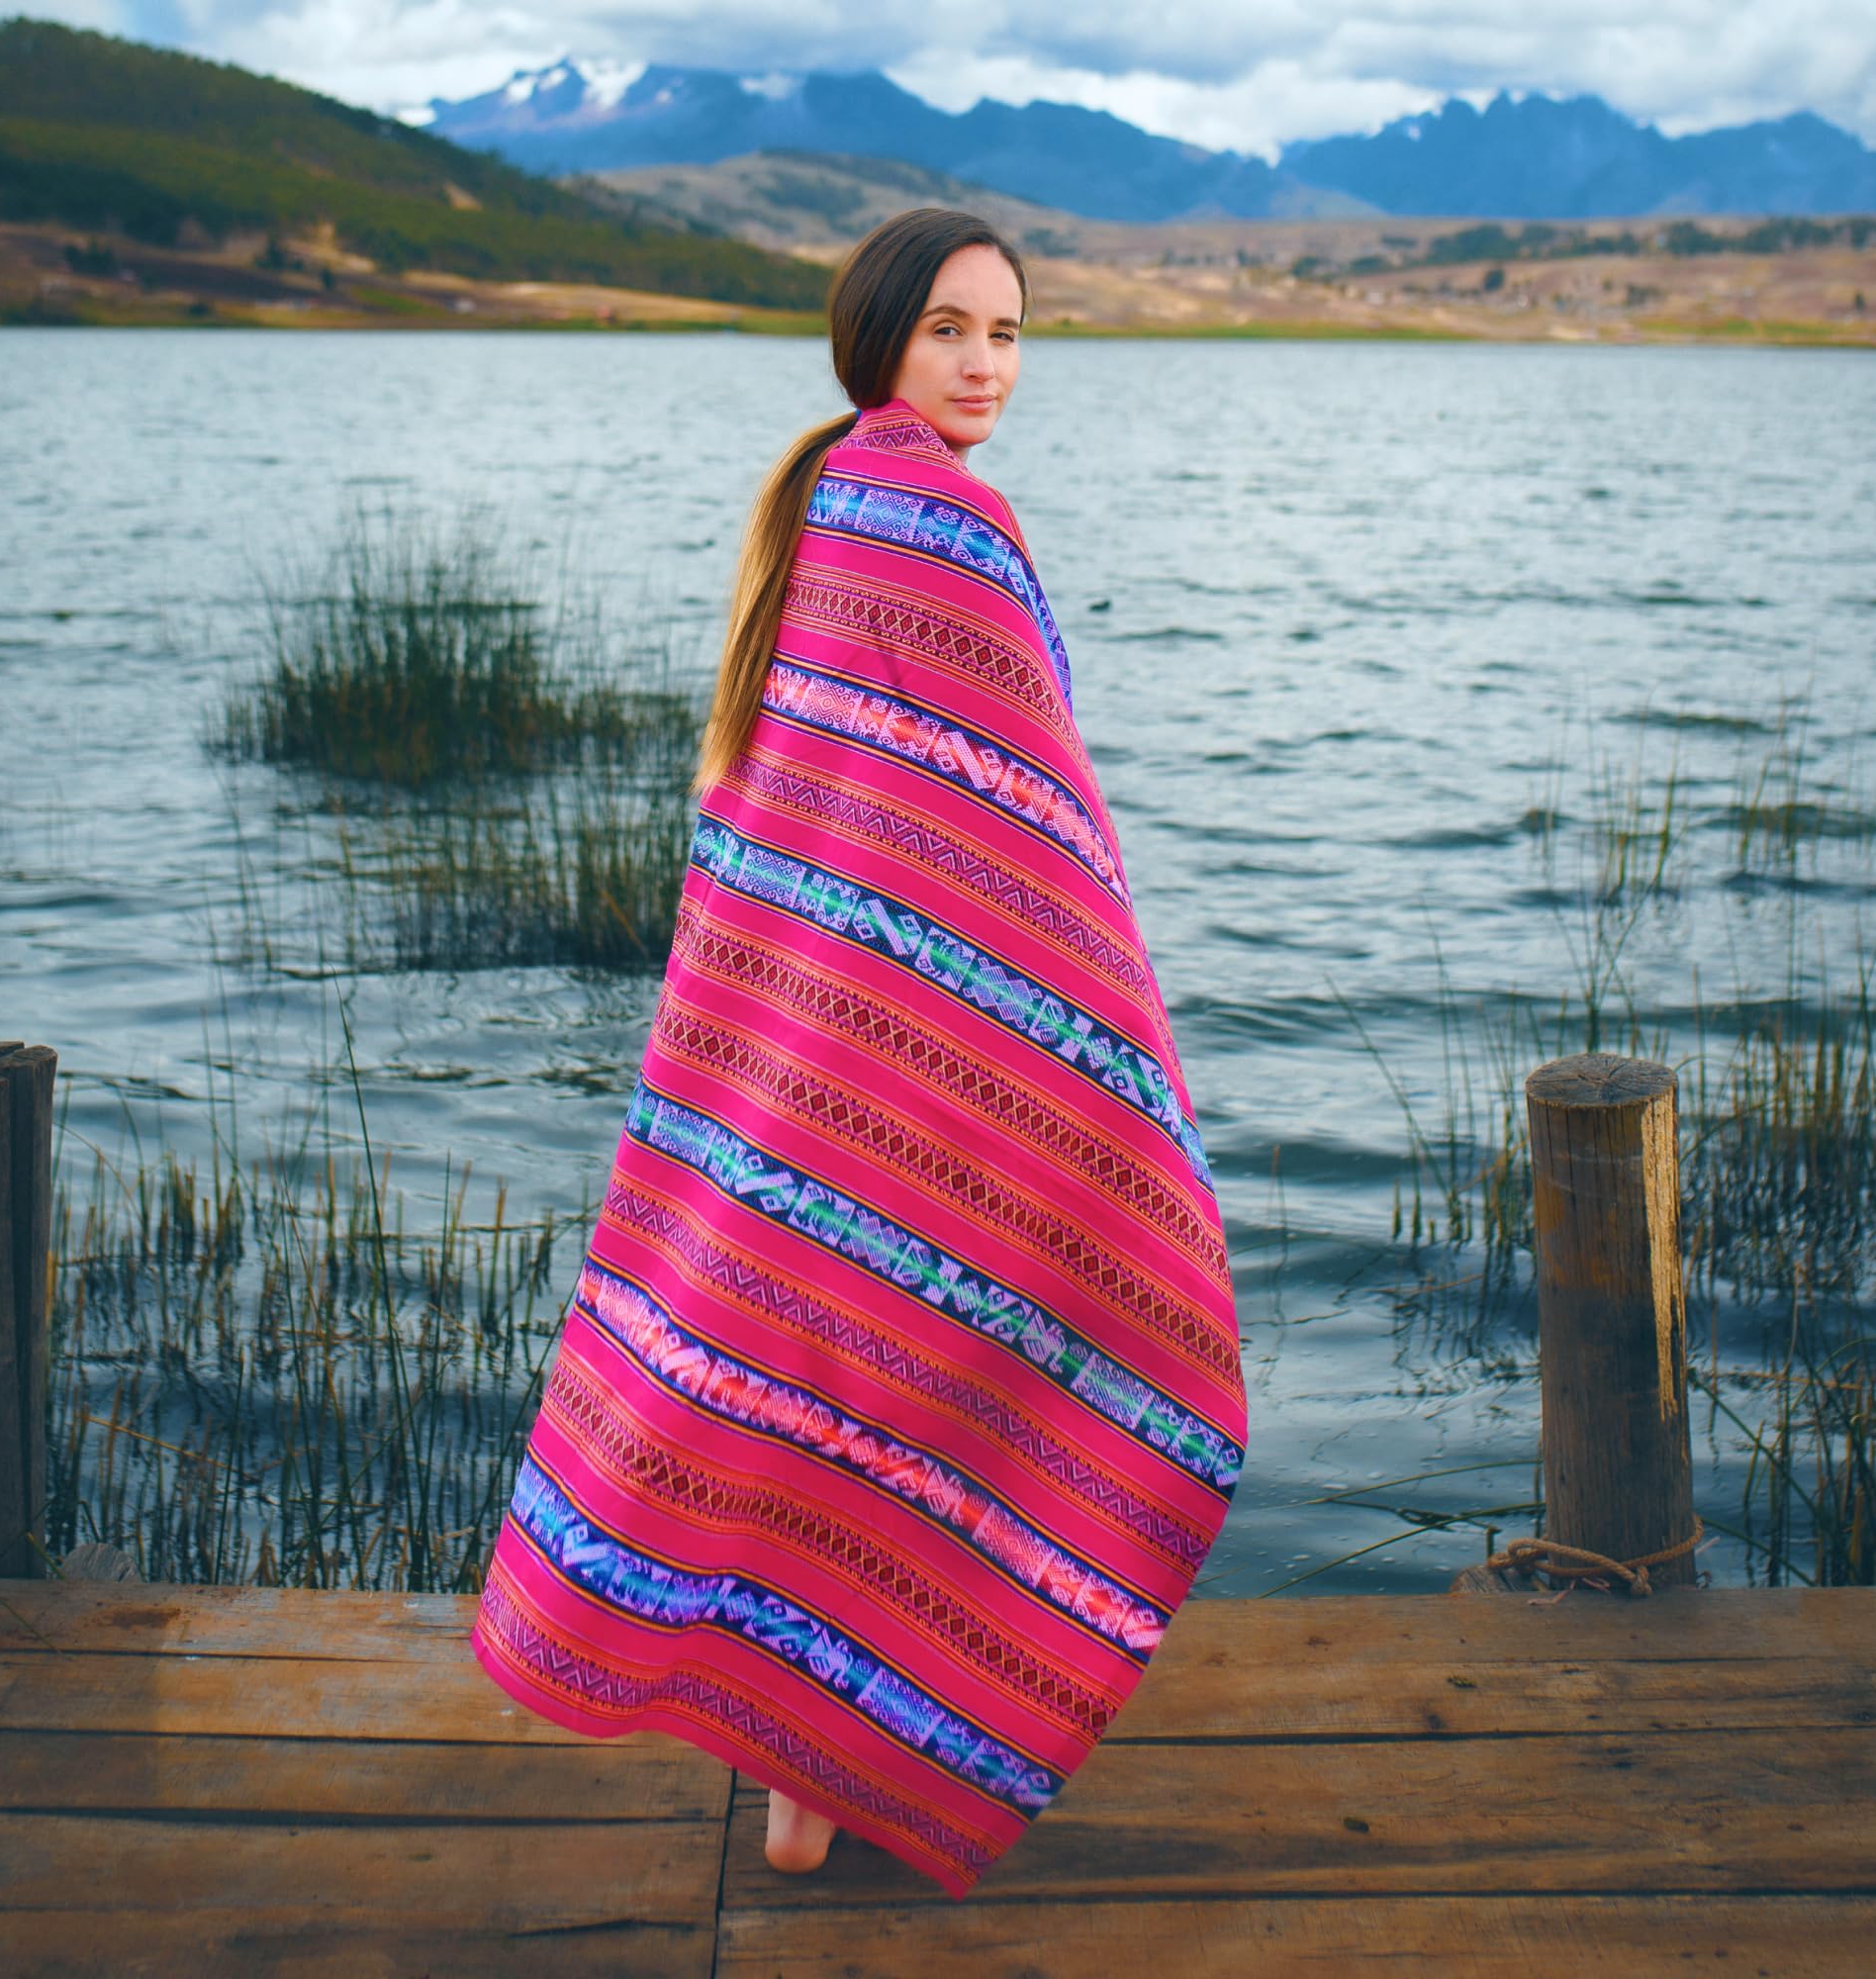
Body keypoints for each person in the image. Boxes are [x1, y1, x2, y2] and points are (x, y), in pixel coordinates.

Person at [469, 207, 1246, 1900]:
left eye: (1011, 335)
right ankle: (849, 1758)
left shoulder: (831, 495)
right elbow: (1034, 842)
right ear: (884, 334)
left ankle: (811, 1775)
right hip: (921, 1057)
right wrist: (1100, 1047)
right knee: (912, 1367)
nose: (985, 364)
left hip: (826, 1063)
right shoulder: (932, 516)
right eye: (954, 330)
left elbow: (922, 813)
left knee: (818, 1376)